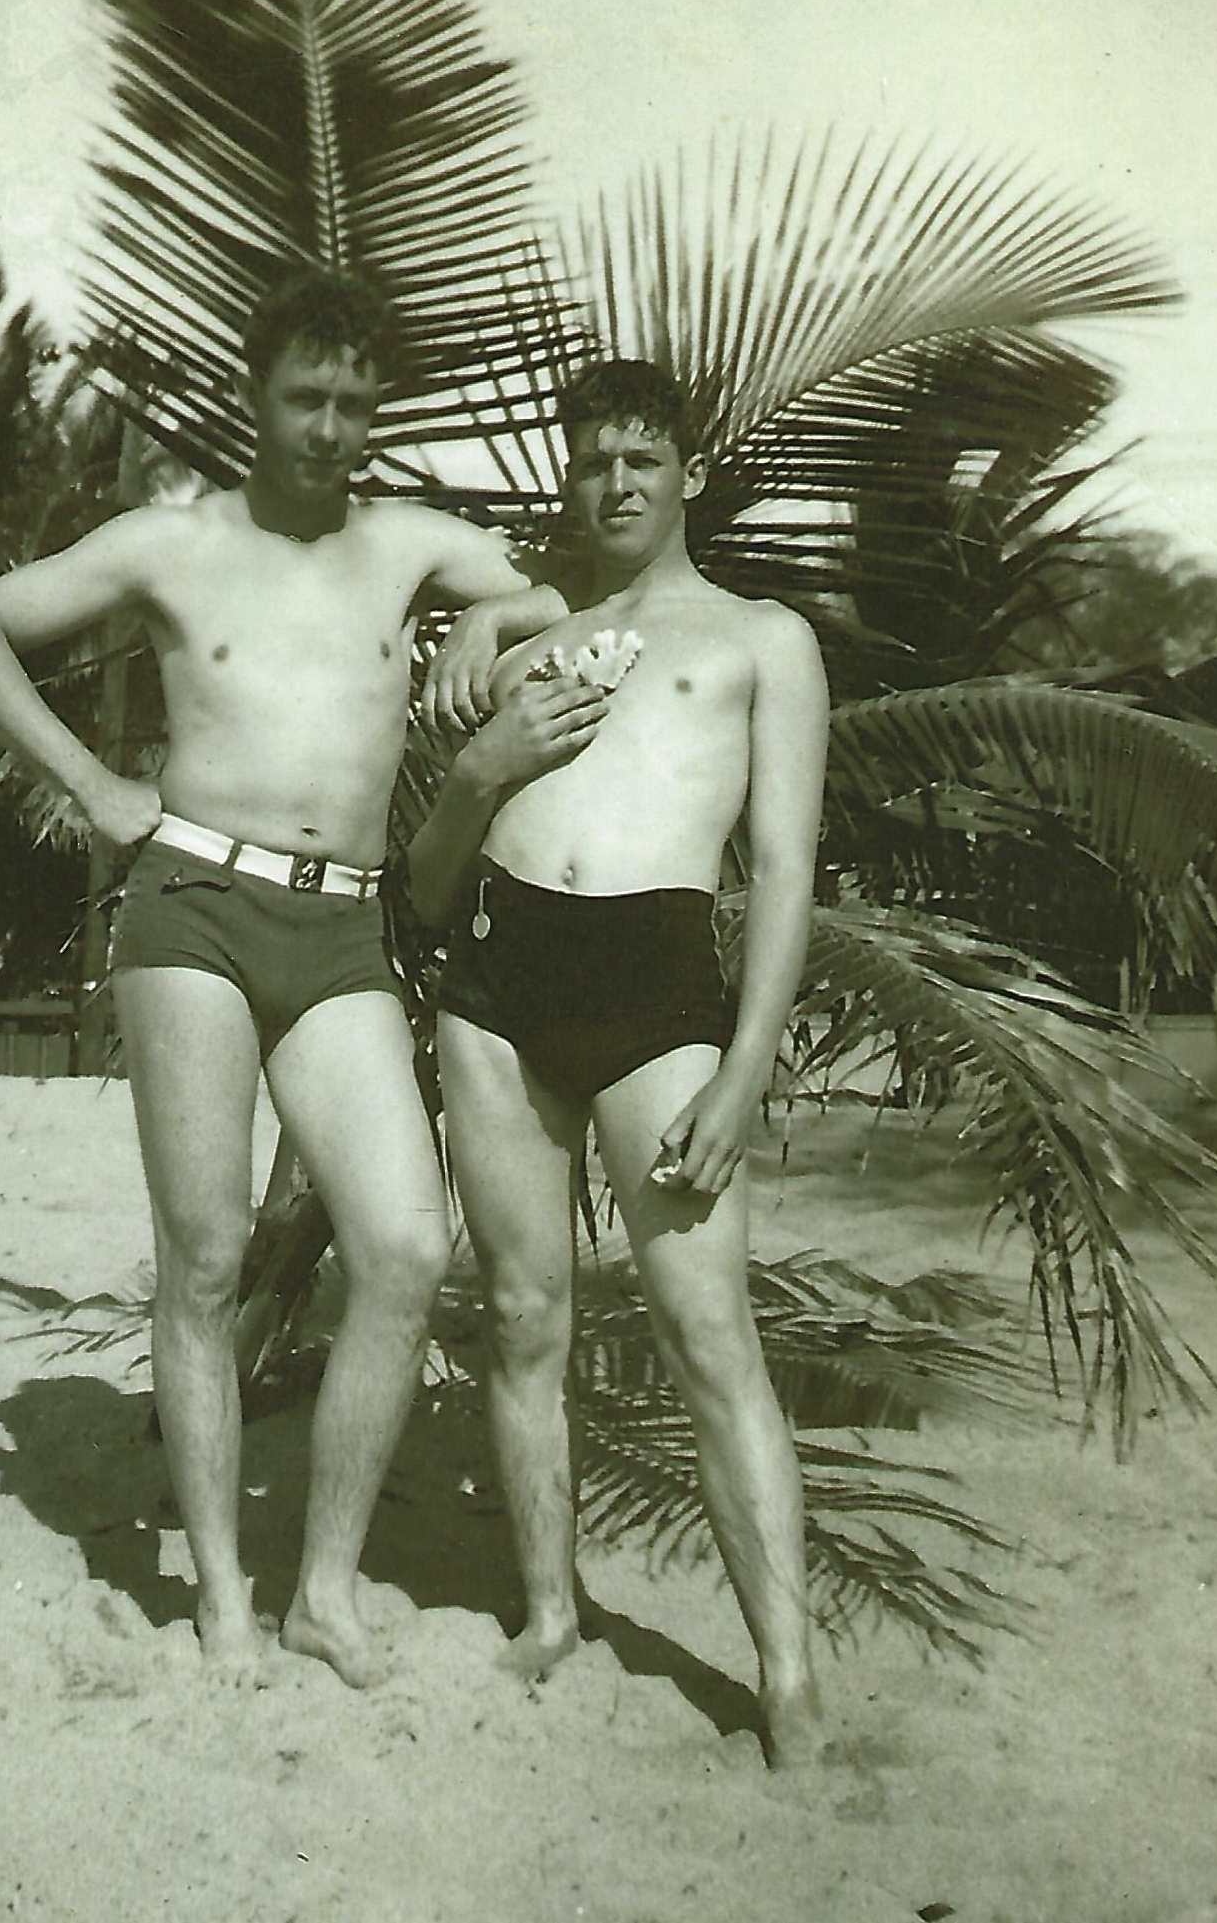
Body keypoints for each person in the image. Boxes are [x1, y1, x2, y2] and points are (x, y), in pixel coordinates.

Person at [0, 264, 567, 1689]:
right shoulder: (171, 541)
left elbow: (559, 590)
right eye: (303, 398)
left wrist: (486, 618)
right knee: (206, 1253)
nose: (330, 428)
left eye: (354, 403)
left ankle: (323, 1588)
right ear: (251, 396)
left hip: (343, 929)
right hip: (193, 909)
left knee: (405, 1245)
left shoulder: (402, 544)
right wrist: (88, 775)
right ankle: (219, 1591)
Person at [406, 358, 830, 1766]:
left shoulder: (762, 639)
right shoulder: (526, 648)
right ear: (567, 475)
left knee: (712, 1338)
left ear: (689, 473)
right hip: (496, 976)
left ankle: (786, 1676)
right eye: (591, 459)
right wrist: (484, 708)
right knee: (521, 1316)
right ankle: (547, 1613)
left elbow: (777, 868)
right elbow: (424, 880)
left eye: (642, 458)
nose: (616, 481)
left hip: (658, 988)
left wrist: (745, 1065)